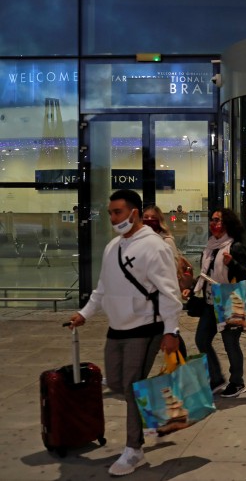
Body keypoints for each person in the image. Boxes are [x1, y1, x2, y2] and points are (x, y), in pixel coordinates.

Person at [67, 189, 181, 477]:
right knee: (116, 382)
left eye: (117, 212)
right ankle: (154, 412)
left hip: (145, 328)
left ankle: (134, 449)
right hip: (117, 327)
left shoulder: (155, 247)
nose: (112, 218)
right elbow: (102, 287)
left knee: (131, 387)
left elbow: (170, 292)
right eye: (110, 213)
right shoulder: (112, 247)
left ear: (134, 212)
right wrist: (85, 313)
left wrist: (171, 331)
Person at [184, 208, 246, 398]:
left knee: (230, 343)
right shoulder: (211, 246)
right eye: (212, 220)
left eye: (217, 220)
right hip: (210, 302)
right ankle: (216, 378)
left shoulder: (235, 246)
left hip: (231, 301)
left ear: (227, 224)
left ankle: (237, 382)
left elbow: (244, 275)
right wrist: (194, 286)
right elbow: (207, 273)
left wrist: (232, 264)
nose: (213, 224)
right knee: (201, 340)